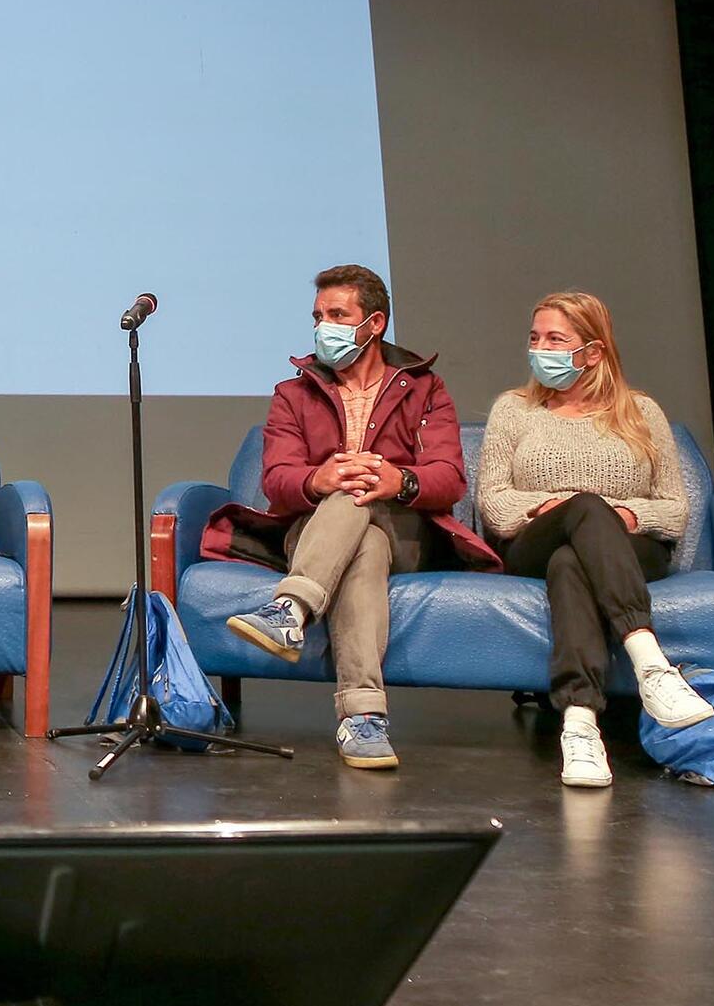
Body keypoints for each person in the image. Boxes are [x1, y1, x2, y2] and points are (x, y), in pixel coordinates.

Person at [208, 264, 499, 769]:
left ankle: (292, 611)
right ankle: (363, 718)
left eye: (337, 315)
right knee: (355, 521)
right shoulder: (293, 394)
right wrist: (318, 479)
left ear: (375, 323)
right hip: (315, 531)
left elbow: (449, 477)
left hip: (407, 531)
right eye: (318, 316)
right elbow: (276, 479)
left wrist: (398, 481)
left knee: (360, 495)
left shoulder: (424, 388)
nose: (324, 327)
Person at [478, 291, 714, 787]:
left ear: (593, 352)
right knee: (582, 509)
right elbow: (494, 502)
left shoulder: (642, 413)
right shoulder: (514, 409)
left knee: (573, 561)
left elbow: (673, 508)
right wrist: (545, 508)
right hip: (532, 541)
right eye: (535, 337)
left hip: (627, 545)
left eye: (556, 339)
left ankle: (580, 724)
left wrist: (627, 513)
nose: (541, 348)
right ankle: (651, 665)